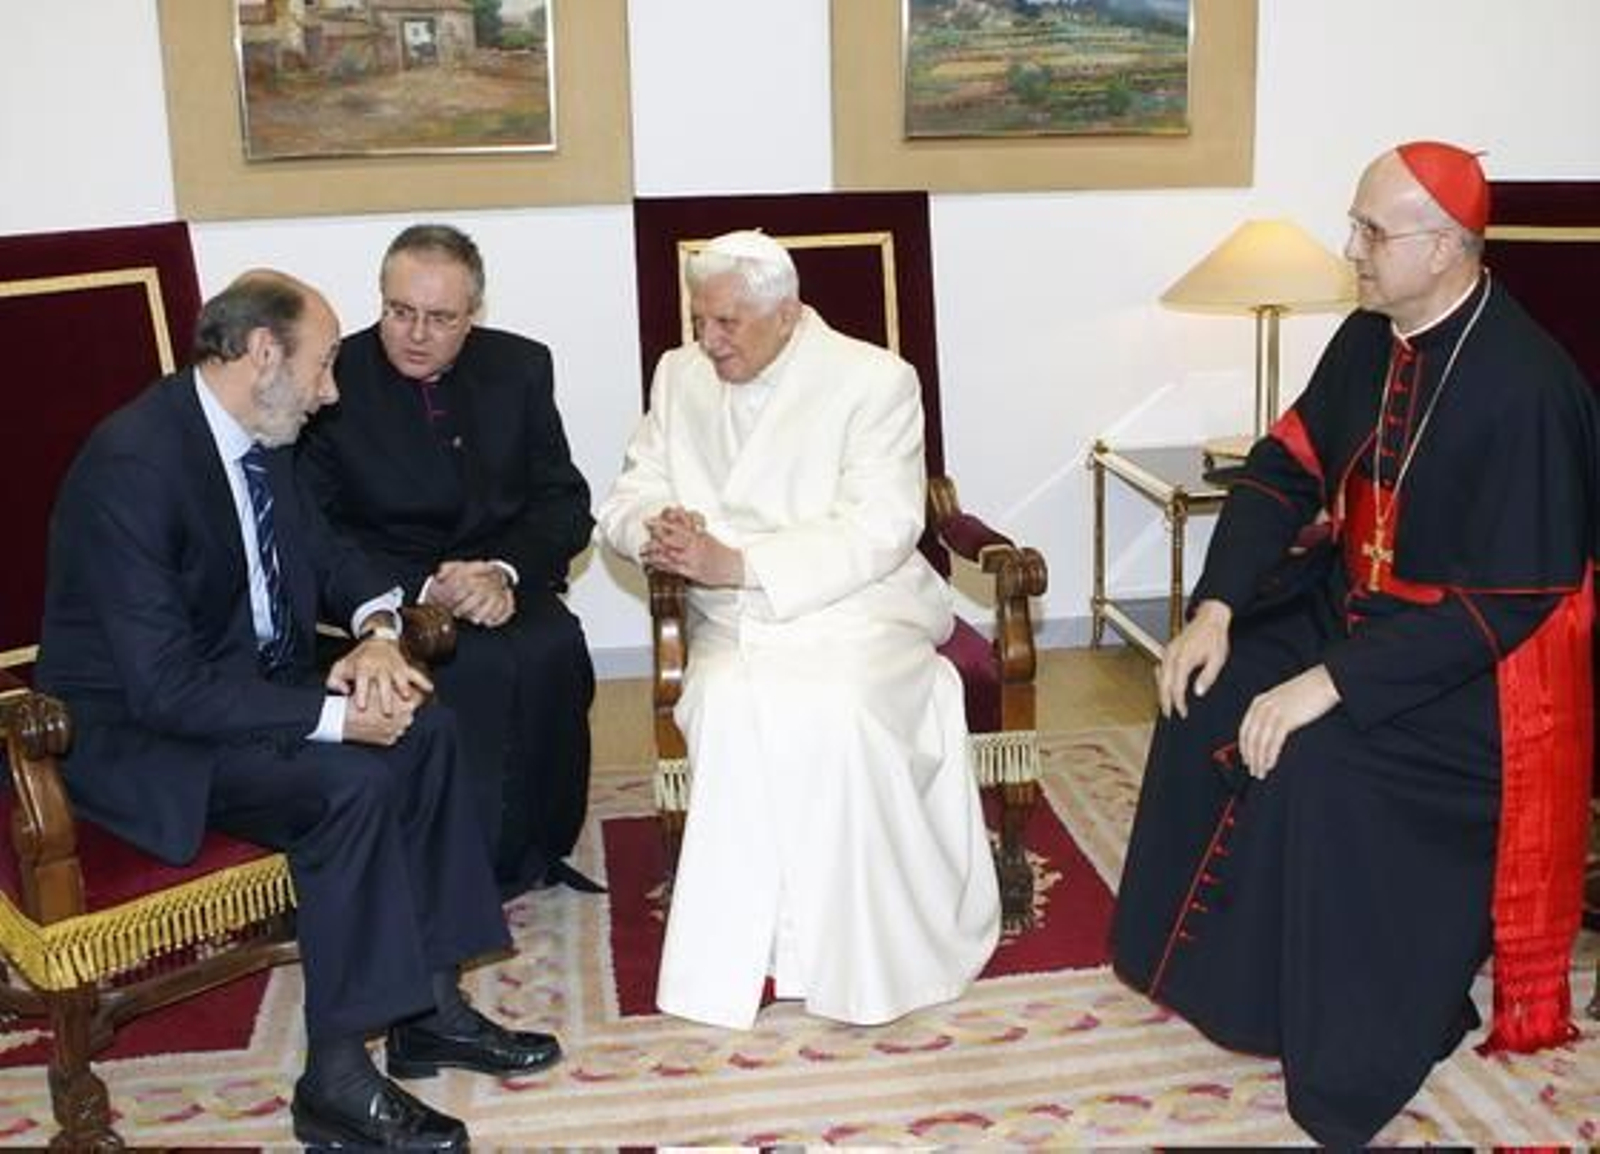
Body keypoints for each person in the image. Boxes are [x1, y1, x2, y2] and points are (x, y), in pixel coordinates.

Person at [1110, 141, 1597, 1146]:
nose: (1352, 250)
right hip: (1351, 612)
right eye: (1358, 225)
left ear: (1447, 248)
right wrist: (1213, 606)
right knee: (1209, 685)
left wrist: (1330, 682)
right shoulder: (1371, 336)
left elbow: (1507, 603)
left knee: (1317, 755)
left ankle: (1372, 1022)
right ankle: (1220, 981)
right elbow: (1284, 470)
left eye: (1373, 232)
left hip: (1466, 677)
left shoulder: (1528, 386)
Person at [36, 270, 563, 1150]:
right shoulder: (132, 467)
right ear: (263, 353)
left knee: (425, 724)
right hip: (145, 733)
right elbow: (163, 685)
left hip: (240, 690)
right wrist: (330, 719)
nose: (331, 392)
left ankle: (430, 1009)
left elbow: (329, 553)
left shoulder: (260, 433)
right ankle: (336, 1078)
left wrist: (380, 632)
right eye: (323, 367)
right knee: (347, 783)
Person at [596, 229, 1000, 1030]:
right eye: (699, 320)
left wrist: (737, 561)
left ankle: (860, 952)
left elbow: (882, 528)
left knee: (843, 711)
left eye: (728, 324)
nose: (708, 341)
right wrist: (656, 529)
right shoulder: (679, 375)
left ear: (787, 313)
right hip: (730, 618)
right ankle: (765, 951)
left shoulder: (875, 380)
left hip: (859, 605)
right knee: (729, 704)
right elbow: (626, 495)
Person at [299, 223, 599, 899]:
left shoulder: (519, 367)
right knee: (477, 668)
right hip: (384, 595)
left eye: (440, 318)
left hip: (499, 581)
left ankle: (538, 849)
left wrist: (505, 573)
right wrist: (424, 586)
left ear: (473, 317)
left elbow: (564, 502)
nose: (415, 333)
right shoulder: (330, 379)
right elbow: (316, 532)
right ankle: (464, 872)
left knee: (553, 646)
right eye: (399, 312)